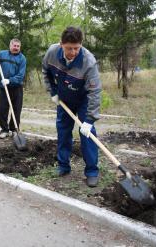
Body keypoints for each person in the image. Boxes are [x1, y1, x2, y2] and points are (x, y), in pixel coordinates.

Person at [42, 26, 102, 187]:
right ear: (61, 44)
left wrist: (90, 119)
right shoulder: (52, 53)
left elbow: (95, 92)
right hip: (64, 100)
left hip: (83, 100)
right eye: (69, 48)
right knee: (63, 132)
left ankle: (91, 171)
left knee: (87, 136)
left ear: (81, 45)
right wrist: (53, 91)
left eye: (77, 48)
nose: (73, 52)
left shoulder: (88, 62)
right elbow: (45, 72)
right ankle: (63, 166)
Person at [0, 38, 27, 139]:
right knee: (2, 109)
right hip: (3, 88)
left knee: (16, 110)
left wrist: (10, 80)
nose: (16, 48)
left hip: (16, 88)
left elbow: (21, 75)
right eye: (14, 46)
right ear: (10, 46)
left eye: (18, 46)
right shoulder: (2, 54)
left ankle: (14, 129)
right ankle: (4, 130)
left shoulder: (22, 58)